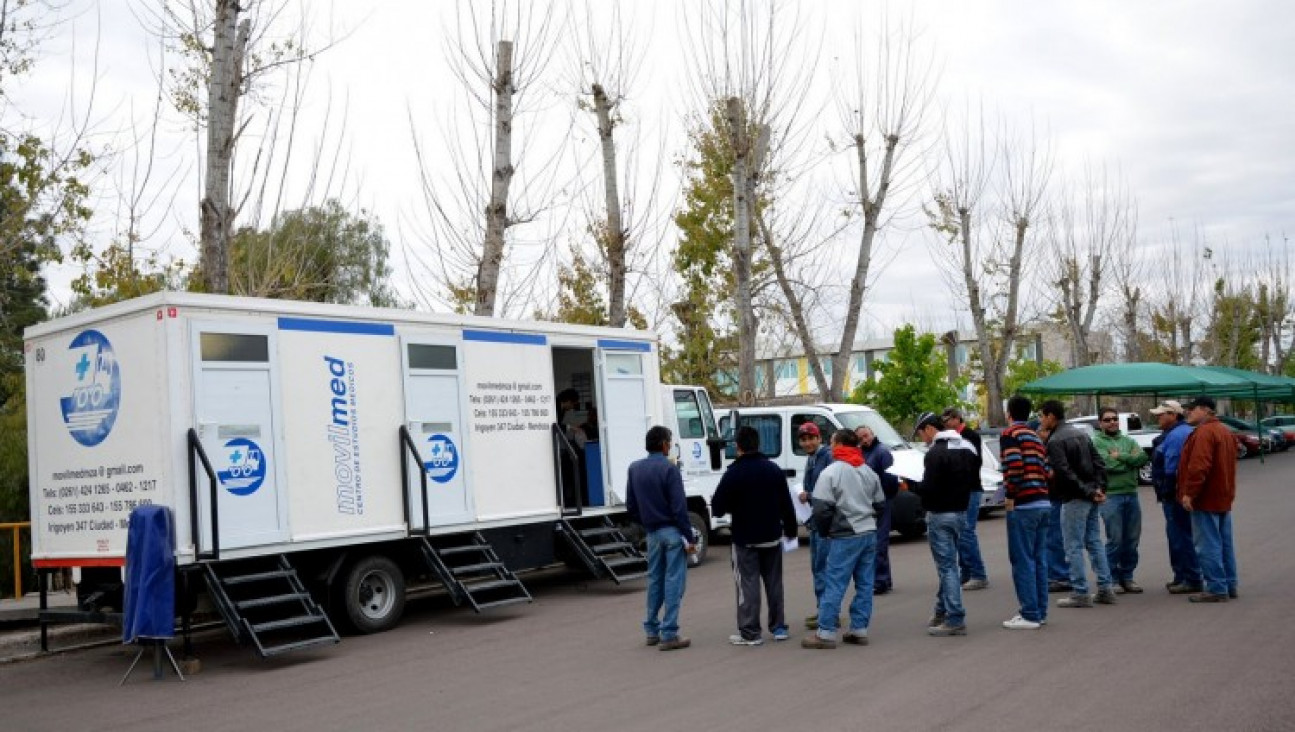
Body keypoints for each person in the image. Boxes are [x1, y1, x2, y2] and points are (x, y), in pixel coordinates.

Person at [711, 426, 800, 646]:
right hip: (772, 535)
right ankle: (779, 627)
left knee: (747, 584)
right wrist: (791, 530)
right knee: (774, 583)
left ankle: (750, 632)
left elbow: (718, 508)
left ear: (738, 447)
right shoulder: (773, 470)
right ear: (759, 444)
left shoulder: (733, 473)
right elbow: (786, 505)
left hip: (745, 538)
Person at [802, 429, 886, 649]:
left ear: (838, 444)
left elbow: (821, 508)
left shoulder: (831, 472)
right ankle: (859, 629)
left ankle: (826, 632)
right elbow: (880, 504)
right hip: (868, 532)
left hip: (844, 534)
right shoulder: (868, 471)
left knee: (835, 583)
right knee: (865, 584)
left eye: (831, 442)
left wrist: (825, 530)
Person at [1039, 400, 1116, 608]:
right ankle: (1105, 587)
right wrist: (1099, 489)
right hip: (1090, 495)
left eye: (1042, 416)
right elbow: (1099, 462)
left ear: (1051, 416)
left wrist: (1091, 491)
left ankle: (1080, 591)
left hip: (1075, 497)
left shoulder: (1055, 440)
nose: (1041, 420)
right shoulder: (1081, 434)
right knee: (1094, 542)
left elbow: (1064, 472)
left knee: (1073, 545)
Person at [625, 425, 695, 650]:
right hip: (672, 531)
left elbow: (631, 506)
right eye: (670, 441)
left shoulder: (634, 469)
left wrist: (647, 521)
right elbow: (679, 508)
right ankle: (670, 632)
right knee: (674, 581)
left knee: (655, 579)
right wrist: (689, 536)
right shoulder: (669, 469)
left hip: (652, 532)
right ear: (664, 444)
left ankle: (652, 630)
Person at [911, 411, 979, 636]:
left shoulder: (934, 454)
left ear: (929, 429)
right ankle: (942, 610)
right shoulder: (967, 447)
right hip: (961, 511)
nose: (923, 438)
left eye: (921, 433)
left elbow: (928, 488)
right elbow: (974, 478)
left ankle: (955, 617)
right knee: (950, 564)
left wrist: (911, 487)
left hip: (940, 513)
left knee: (947, 567)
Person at [1177, 396, 1239, 603]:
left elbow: (1199, 466)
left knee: (1207, 544)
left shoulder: (1205, 432)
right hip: (1222, 496)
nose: (1188, 412)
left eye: (1192, 409)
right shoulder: (1224, 430)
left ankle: (1216, 587)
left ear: (1205, 410)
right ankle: (1228, 584)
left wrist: (1189, 493)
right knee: (1224, 543)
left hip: (1206, 498)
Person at [999, 395, 1053, 630]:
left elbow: (1015, 465)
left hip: (1023, 504)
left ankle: (1029, 613)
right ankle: (1040, 611)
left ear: (1009, 413)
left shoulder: (1010, 434)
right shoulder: (1035, 436)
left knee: (1022, 559)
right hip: (1042, 501)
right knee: (1039, 559)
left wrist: (1010, 494)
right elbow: (1047, 469)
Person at [1092, 407, 1151, 593]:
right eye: (1107, 420)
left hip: (1131, 493)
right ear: (1100, 423)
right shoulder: (1096, 443)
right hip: (1111, 496)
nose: (1112, 422)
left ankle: (1128, 577)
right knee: (1115, 539)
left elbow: (1142, 458)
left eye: (1115, 419)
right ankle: (1111, 578)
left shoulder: (1127, 440)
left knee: (1132, 539)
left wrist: (1121, 456)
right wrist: (1127, 461)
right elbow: (1107, 464)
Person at [1149, 400, 1202, 594]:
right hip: (1177, 493)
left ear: (1173, 415)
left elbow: (1171, 468)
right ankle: (1182, 576)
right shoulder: (1176, 433)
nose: (1158, 417)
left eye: (1161, 414)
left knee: (1181, 536)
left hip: (1175, 494)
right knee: (1178, 535)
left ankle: (1191, 577)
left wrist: (1167, 491)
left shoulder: (1176, 435)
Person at [942, 408, 989, 591]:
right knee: (961, 532)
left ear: (957, 418)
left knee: (967, 532)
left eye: (948, 420)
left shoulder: (970, 436)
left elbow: (974, 463)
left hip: (971, 489)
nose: (945, 424)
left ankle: (978, 573)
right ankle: (967, 571)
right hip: (959, 490)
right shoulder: (950, 438)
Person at [795, 422, 833, 630]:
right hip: (815, 521)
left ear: (819, 438)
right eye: (803, 439)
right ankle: (824, 610)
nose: (807, 442)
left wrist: (808, 495)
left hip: (826, 522)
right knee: (817, 568)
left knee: (823, 568)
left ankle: (828, 613)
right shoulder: (812, 458)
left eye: (811, 438)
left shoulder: (827, 456)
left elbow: (828, 488)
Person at [858, 426, 899, 594]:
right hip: (870, 503)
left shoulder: (882, 452)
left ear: (872, 434)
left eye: (866, 436)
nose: (864, 440)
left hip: (881, 502)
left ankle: (881, 581)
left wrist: (882, 498)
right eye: (860, 438)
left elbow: (890, 478)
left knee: (879, 543)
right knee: (875, 542)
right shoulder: (863, 453)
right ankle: (884, 579)